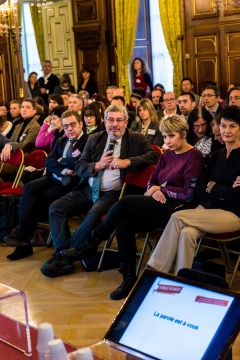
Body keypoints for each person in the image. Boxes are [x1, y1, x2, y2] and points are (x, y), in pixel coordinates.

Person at [63, 114, 203, 299]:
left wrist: (161, 189)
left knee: (125, 202)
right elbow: (151, 181)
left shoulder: (194, 156)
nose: (167, 141)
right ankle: (128, 278)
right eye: (165, 136)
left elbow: (188, 194)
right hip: (157, 201)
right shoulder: (167, 154)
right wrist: (154, 189)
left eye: (171, 136)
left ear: (184, 134)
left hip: (178, 208)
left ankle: (92, 242)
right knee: (124, 224)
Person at [40, 104, 159, 278]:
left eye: (119, 120)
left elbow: (154, 155)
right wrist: (98, 165)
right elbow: (80, 166)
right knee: (56, 207)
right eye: (110, 120)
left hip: (111, 193)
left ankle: (63, 258)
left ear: (126, 122)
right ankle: (63, 253)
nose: (115, 124)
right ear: (104, 121)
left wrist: (129, 162)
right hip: (88, 188)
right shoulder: (95, 138)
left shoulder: (136, 139)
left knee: (94, 213)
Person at [148, 106, 240, 276]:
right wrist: (222, 189)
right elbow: (200, 189)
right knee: (187, 233)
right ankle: (184, 278)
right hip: (207, 209)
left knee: (177, 216)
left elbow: (236, 196)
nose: (226, 130)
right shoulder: (216, 156)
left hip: (233, 214)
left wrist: (213, 187)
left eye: (232, 126)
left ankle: (156, 270)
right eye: (223, 126)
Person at [4, 110, 88, 260]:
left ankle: (24, 241)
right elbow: (49, 161)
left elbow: (78, 165)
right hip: (55, 176)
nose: (69, 129)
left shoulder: (87, 141)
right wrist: (62, 167)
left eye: (73, 125)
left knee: (40, 199)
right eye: (66, 126)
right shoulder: (62, 140)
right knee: (29, 188)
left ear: (80, 124)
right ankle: (23, 236)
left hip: (70, 184)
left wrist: (60, 163)